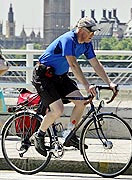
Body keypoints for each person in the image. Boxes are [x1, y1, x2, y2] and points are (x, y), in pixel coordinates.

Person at [30, 17, 117, 157]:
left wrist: (109, 83)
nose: (93, 35)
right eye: (91, 32)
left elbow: (95, 64)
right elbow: (73, 64)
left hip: (59, 77)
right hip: (44, 76)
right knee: (58, 109)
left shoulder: (87, 44)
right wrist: (87, 85)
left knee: (81, 102)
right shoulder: (68, 39)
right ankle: (39, 135)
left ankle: (69, 134)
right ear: (82, 31)